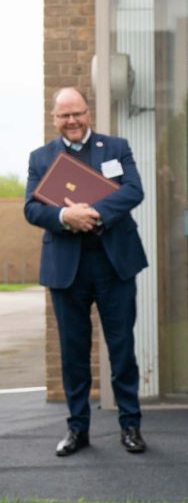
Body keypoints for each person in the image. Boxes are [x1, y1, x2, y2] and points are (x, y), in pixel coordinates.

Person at [25, 87, 148, 457]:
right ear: (54, 119)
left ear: (88, 113)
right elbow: (31, 209)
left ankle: (130, 427)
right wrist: (65, 216)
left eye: (76, 113)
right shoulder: (41, 157)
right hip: (67, 271)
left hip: (115, 266)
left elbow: (133, 191)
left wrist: (91, 211)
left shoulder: (116, 147)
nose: (72, 121)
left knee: (122, 350)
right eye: (64, 116)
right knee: (73, 354)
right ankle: (77, 429)